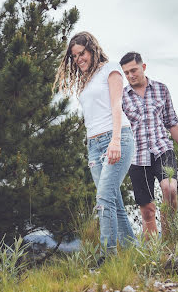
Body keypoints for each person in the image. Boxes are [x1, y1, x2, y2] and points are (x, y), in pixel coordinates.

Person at [53, 32, 135, 256]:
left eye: (82, 53)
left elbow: (117, 106)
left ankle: (107, 256)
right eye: (75, 56)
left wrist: (115, 141)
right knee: (113, 201)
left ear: (92, 49)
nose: (79, 59)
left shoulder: (111, 68)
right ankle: (133, 253)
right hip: (94, 145)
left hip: (116, 138)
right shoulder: (87, 81)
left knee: (103, 198)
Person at [119, 52, 178, 239]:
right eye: (126, 73)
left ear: (143, 67)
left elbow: (171, 122)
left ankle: (169, 240)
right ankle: (153, 254)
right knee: (147, 211)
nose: (130, 75)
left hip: (162, 149)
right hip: (136, 157)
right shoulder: (121, 98)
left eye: (133, 70)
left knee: (170, 189)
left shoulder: (161, 89)